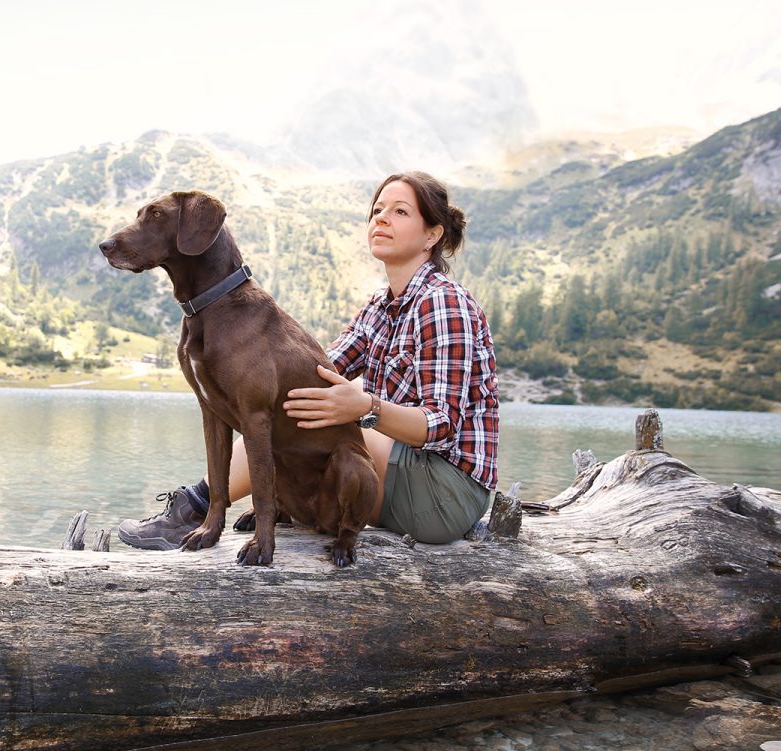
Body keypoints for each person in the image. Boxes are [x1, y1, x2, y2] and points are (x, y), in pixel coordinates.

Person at [119, 171, 499, 549]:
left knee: (336, 422)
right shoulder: (380, 307)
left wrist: (365, 408)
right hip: (399, 476)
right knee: (292, 404)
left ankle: (195, 506)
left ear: (432, 235)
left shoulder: (444, 303)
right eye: (377, 209)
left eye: (400, 212)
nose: (381, 218)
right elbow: (312, 373)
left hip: (445, 493)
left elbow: (442, 425)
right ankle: (219, 505)